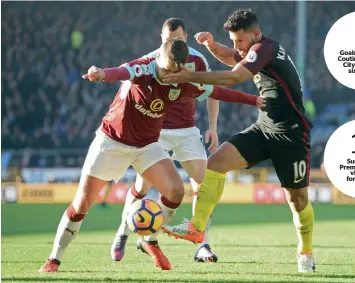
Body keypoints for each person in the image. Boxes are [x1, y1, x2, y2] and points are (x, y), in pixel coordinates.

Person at [39, 38, 265, 273]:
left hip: (146, 146)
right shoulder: (143, 69)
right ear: (158, 58)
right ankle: (54, 259)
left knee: (176, 192)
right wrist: (101, 73)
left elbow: (217, 91)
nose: (170, 75)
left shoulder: (182, 80)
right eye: (167, 69)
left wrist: (254, 100)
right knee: (82, 205)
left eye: (175, 71)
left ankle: (148, 238)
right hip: (111, 142)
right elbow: (118, 72)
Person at [161, 9, 315, 273]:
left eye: (240, 41)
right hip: (264, 127)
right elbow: (228, 56)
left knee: (297, 200)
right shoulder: (252, 50)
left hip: (290, 134)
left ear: (255, 35)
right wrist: (211, 45)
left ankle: (305, 252)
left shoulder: (266, 48)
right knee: (216, 162)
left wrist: (190, 77)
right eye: (233, 41)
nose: (237, 47)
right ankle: (197, 229)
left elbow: (234, 76)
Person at [111, 18, 220, 268]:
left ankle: (202, 243)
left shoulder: (198, 60)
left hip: (187, 130)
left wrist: (213, 127)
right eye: (170, 40)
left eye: (179, 40)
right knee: (141, 187)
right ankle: (124, 231)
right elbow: (128, 87)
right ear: (161, 37)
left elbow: (213, 90)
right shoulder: (150, 61)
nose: (174, 43)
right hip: (155, 132)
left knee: (205, 186)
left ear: (186, 37)